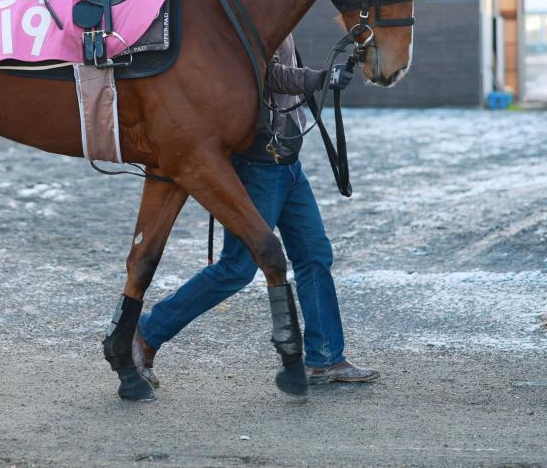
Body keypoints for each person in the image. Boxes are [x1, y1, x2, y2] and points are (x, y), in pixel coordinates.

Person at [133, 31, 379, 385]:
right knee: (237, 268)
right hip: (259, 164)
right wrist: (319, 78)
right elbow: (269, 74)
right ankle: (145, 333)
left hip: (288, 161)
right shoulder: (253, 15)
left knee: (314, 254)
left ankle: (325, 357)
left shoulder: (284, 13)